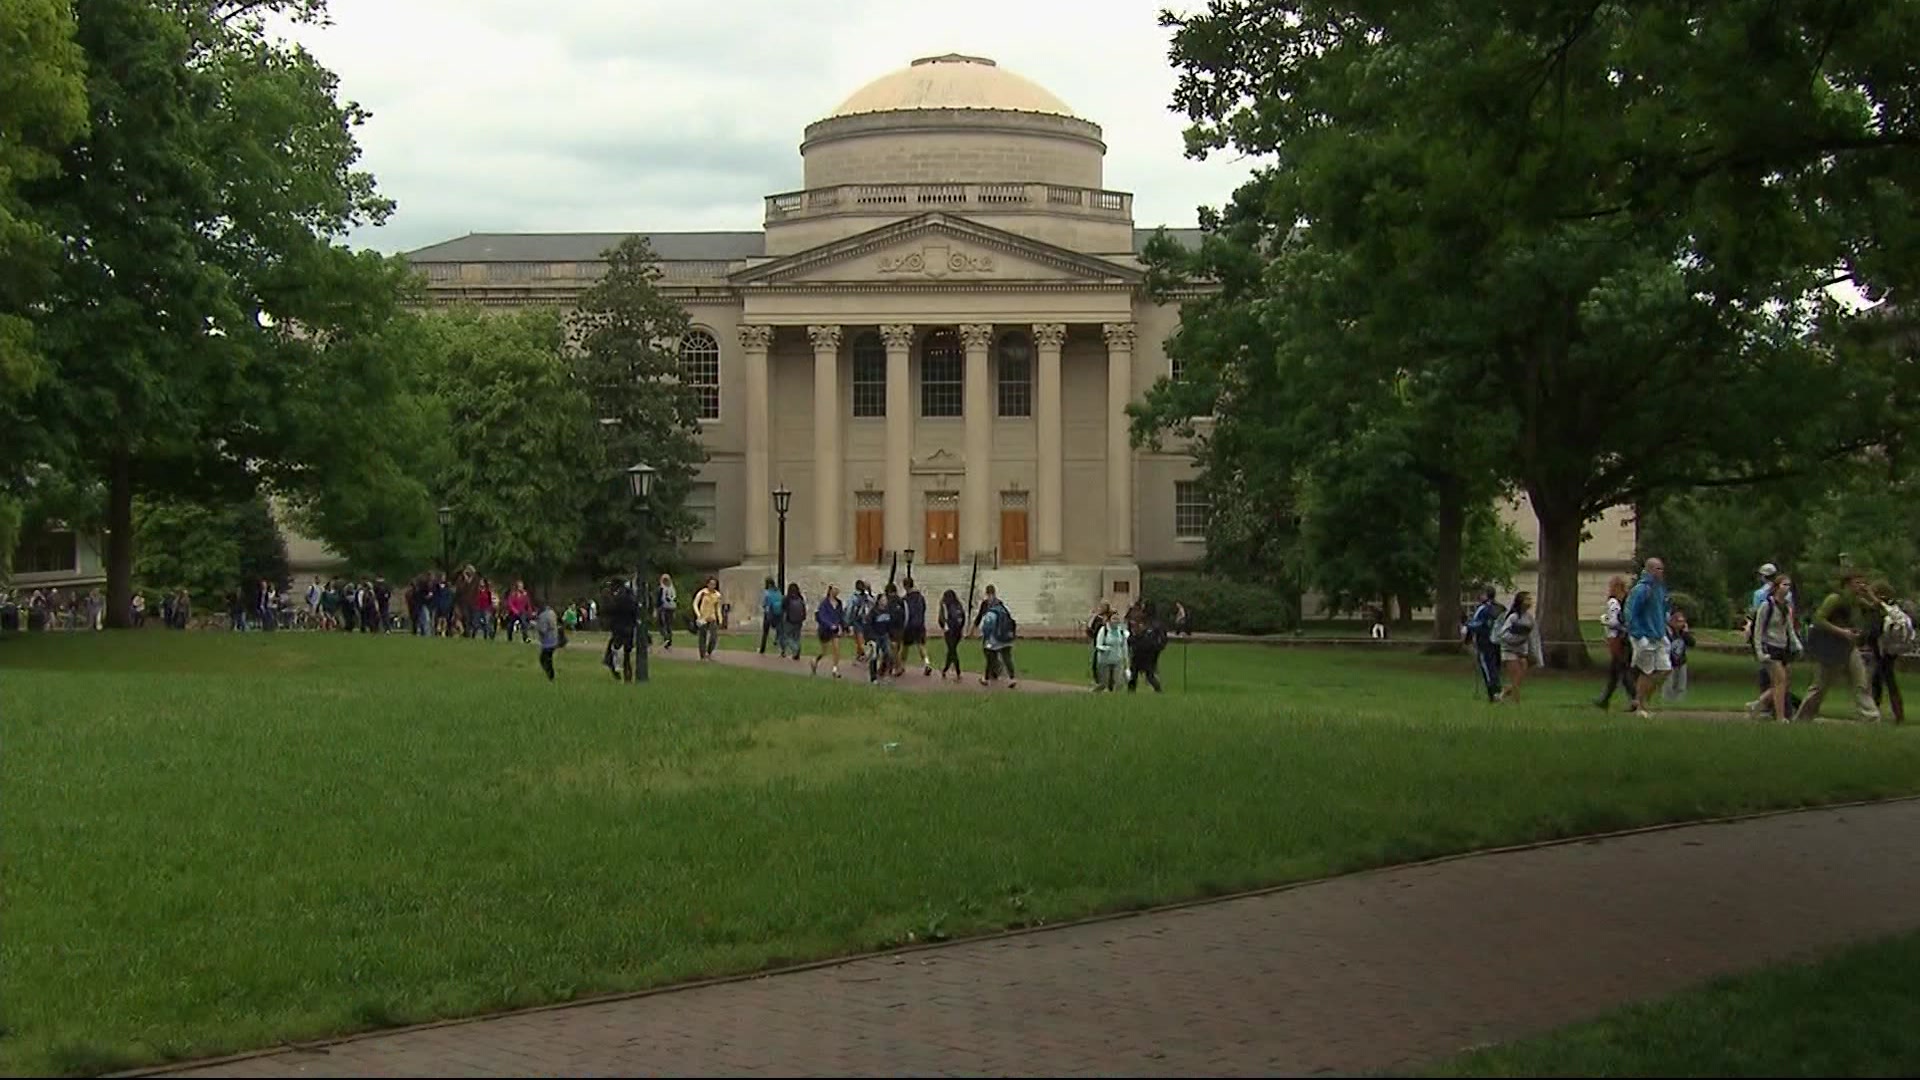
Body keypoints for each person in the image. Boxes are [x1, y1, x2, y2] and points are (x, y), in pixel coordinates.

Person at [1793, 573, 1882, 723]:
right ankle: (1803, 717)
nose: (1861, 586)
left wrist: (1870, 594)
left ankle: (1870, 716)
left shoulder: (1856, 601)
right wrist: (1842, 631)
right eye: (1858, 582)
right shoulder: (1835, 599)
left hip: (1849, 647)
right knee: (1820, 685)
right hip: (1832, 647)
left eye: (1863, 583)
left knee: (1861, 682)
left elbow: (1877, 608)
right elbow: (1818, 619)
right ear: (1847, 584)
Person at [1623, 557, 1672, 718]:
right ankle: (1641, 705)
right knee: (1647, 670)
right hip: (1644, 635)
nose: (1661, 572)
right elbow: (1630, 613)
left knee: (1665, 669)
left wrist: (1665, 625)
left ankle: (1640, 699)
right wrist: (1639, 634)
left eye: (1662, 569)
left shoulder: (1659, 589)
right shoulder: (1642, 589)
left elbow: (1662, 609)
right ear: (1650, 570)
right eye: (1658, 569)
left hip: (1658, 634)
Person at [1751, 576, 1802, 722]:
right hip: (1770, 647)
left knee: (1782, 683)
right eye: (1784, 584)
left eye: (1789, 585)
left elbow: (1789, 629)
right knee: (1780, 681)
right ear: (1777, 586)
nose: (1787, 588)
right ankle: (1780, 717)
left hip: (1782, 647)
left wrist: (1797, 645)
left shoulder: (1786, 607)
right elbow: (1758, 631)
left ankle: (1758, 704)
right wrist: (1759, 651)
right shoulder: (1767, 605)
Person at [1869, 587, 1909, 724]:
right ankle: (1878, 711)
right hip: (1886, 649)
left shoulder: (1886, 609)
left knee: (1885, 680)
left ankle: (1891, 714)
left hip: (1885, 650)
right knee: (1879, 679)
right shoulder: (1890, 609)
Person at [1496, 591, 1544, 702]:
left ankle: (1505, 692)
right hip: (1509, 650)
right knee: (1516, 675)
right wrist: (1514, 639)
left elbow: (1534, 637)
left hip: (1522, 651)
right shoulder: (1513, 617)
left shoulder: (1530, 619)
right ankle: (1515, 701)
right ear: (1520, 601)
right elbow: (1503, 634)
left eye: (1530, 599)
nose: (1529, 602)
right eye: (1527, 599)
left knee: (1520, 677)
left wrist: (1537, 656)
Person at [1593, 575, 1632, 709]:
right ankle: (1605, 699)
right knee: (1616, 670)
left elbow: (1614, 621)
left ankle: (1634, 698)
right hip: (1624, 636)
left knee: (1620, 668)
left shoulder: (1614, 602)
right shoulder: (1627, 601)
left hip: (1617, 638)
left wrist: (1605, 620)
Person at [1463, 586, 1503, 703]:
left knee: (1488, 668)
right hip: (1498, 642)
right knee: (1495, 667)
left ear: (1485, 595)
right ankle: (1497, 691)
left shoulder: (1483, 608)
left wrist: (1467, 626)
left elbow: (1478, 624)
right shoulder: (1501, 608)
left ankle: (1494, 693)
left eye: (1482, 594)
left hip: (1485, 641)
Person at [976, 585, 1018, 689]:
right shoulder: (1003, 608)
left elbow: (987, 627)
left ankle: (986, 678)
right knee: (1007, 657)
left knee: (989, 655)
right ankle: (1012, 678)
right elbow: (1011, 621)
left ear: (987, 593)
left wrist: (984, 636)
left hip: (994, 639)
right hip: (1006, 638)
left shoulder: (990, 611)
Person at [1127, 601, 1169, 693]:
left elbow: (1163, 638)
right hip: (1144, 650)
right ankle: (1157, 690)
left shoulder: (1148, 622)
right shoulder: (1149, 621)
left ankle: (1133, 691)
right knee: (1144, 673)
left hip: (1144, 651)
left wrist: (1157, 647)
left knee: (1138, 673)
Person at [603, 579, 640, 682]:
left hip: (619, 628)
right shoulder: (631, 596)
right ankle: (627, 676)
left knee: (615, 650)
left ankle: (614, 667)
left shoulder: (618, 597)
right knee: (627, 654)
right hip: (629, 628)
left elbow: (610, 610)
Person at [1091, 603, 1129, 691]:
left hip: (1117, 660)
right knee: (1104, 684)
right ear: (1109, 620)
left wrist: (1126, 661)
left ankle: (1115, 697)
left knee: (1118, 683)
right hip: (1105, 660)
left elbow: (1124, 646)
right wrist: (1106, 648)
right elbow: (1098, 645)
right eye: (1114, 619)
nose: (1116, 621)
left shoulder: (1121, 631)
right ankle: (1094, 693)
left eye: (1117, 619)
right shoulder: (1104, 630)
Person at [867, 583, 900, 683]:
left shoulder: (888, 611)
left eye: (886, 600)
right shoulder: (874, 612)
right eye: (883, 600)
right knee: (874, 656)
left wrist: (892, 635)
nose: (885, 602)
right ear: (879, 601)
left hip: (885, 635)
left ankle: (886, 673)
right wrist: (870, 638)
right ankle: (873, 677)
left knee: (889, 654)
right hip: (875, 636)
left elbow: (890, 625)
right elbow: (868, 625)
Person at [1662, 607, 1696, 702]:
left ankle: (1679, 701)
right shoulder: (1667, 632)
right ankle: (1668, 701)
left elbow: (1692, 643)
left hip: (1681, 661)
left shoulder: (1683, 633)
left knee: (1681, 685)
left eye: (1682, 622)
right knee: (1669, 684)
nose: (1680, 624)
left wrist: (1685, 633)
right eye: (1678, 621)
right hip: (1669, 661)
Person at [811, 583, 845, 678]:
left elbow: (841, 616)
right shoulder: (824, 604)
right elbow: (821, 617)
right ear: (830, 591)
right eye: (835, 589)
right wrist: (830, 625)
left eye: (838, 589)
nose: (836, 591)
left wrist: (842, 626)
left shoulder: (839, 603)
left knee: (836, 648)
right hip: (825, 630)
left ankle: (835, 669)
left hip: (835, 630)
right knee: (824, 651)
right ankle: (815, 660)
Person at [900, 577, 931, 676]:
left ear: (905, 586)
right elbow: (924, 609)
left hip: (909, 625)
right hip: (920, 624)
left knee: (905, 646)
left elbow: (904, 613)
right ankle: (927, 663)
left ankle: (902, 666)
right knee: (921, 645)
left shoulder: (905, 599)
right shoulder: (920, 597)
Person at [936, 588, 967, 680]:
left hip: (949, 631)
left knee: (952, 651)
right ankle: (945, 670)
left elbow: (941, 619)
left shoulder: (944, 605)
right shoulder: (958, 605)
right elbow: (963, 618)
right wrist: (961, 629)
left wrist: (944, 627)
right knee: (951, 650)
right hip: (958, 632)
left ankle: (958, 671)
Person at [692, 576, 723, 660]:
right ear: (707, 584)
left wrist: (720, 619)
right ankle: (702, 654)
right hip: (703, 617)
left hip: (712, 617)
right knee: (703, 636)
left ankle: (709, 652)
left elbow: (718, 608)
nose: (712, 586)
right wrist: (698, 615)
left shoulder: (717, 595)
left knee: (714, 636)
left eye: (714, 584)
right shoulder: (703, 593)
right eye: (711, 584)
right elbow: (695, 603)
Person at [777, 582, 806, 660]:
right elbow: (804, 609)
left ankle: (795, 649)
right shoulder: (800, 598)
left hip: (789, 621)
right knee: (797, 637)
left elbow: (782, 609)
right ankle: (797, 653)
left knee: (787, 637)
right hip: (799, 621)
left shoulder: (786, 599)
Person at [846, 580, 874, 662]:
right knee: (859, 639)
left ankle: (860, 655)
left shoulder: (866, 597)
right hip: (857, 620)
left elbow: (873, 603)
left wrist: (869, 590)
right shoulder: (854, 597)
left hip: (865, 620)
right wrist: (847, 623)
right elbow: (849, 610)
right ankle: (862, 654)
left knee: (861, 639)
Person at [534, 597, 561, 681]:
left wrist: (535, 625)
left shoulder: (543, 616)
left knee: (544, 660)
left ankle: (550, 676)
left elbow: (543, 630)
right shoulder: (552, 612)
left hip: (547, 642)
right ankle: (550, 676)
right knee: (548, 659)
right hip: (554, 639)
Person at [1084, 604, 1109, 689]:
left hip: (1106, 643)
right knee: (1095, 663)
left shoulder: (1108, 619)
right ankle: (1097, 681)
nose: (1100, 609)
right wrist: (1093, 617)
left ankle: (1105, 682)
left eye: (1102, 607)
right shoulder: (1097, 618)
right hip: (1096, 642)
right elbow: (1089, 628)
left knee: (1105, 664)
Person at [758, 576, 781, 654]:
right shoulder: (778, 592)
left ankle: (762, 649)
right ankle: (780, 646)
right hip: (778, 614)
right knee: (779, 630)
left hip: (769, 613)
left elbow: (764, 604)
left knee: (765, 632)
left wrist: (765, 607)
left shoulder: (766, 593)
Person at [655, 573, 677, 650]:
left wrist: (656, 608)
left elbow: (659, 599)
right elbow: (674, 598)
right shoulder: (672, 588)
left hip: (664, 608)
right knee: (668, 625)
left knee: (662, 624)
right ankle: (668, 640)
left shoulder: (662, 588)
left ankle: (666, 638)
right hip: (672, 607)